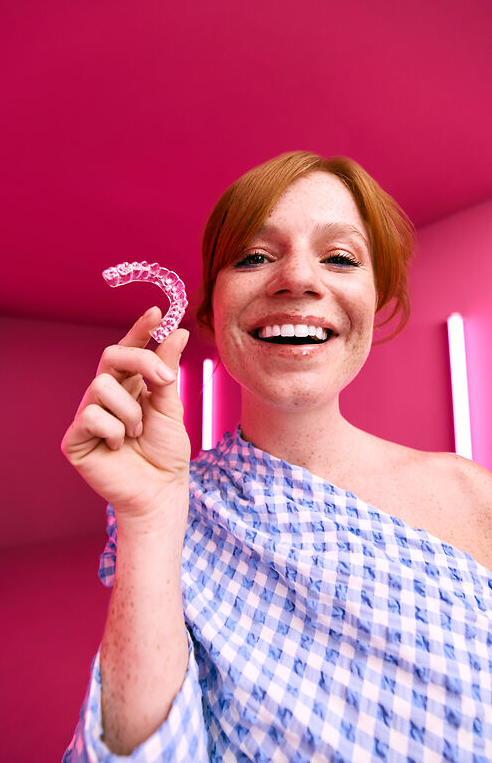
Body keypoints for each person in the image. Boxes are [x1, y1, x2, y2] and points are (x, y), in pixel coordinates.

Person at [62, 152, 492, 762]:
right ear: (212, 306)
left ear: (376, 300)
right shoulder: (174, 505)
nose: (297, 278)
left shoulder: (476, 499)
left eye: (340, 257)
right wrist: (151, 516)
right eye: (255, 257)